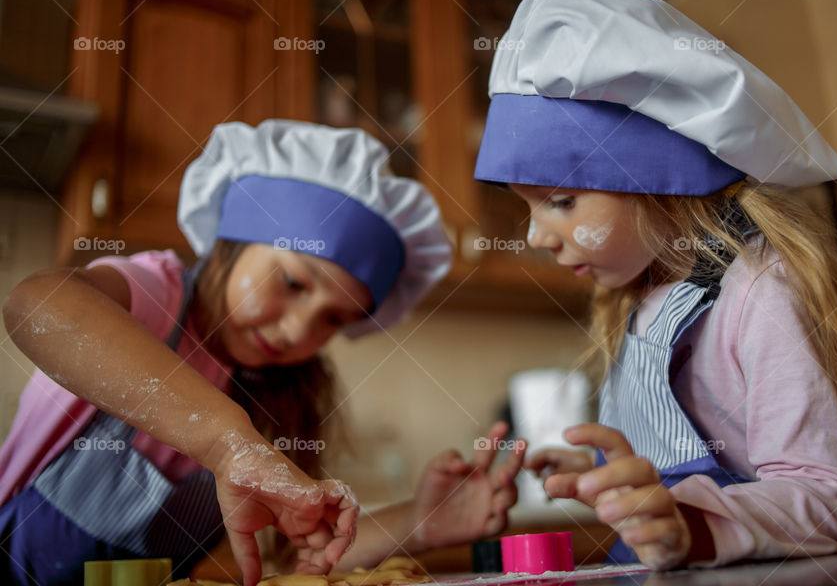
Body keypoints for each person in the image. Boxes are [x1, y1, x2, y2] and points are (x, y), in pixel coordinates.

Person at [472, 0, 837, 570]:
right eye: (528, 208)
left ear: (659, 178)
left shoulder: (759, 291)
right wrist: (602, 475)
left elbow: (826, 497)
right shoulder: (639, 303)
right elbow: (670, 461)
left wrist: (694, 526)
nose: (535, 237)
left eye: (562, 200)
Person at [1, 120, 524, 586]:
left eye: (334, 320)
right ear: (233, 240)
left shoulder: (270, 391)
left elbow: (289, 563)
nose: (298, 329)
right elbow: (37, 306)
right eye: (294, 282)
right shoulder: (154, 296)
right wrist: (228, 445)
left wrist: (419, 522)